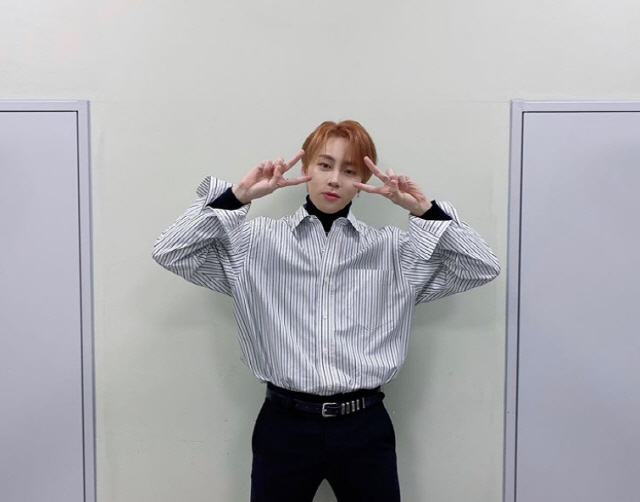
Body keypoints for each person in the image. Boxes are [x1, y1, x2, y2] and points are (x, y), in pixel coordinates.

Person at [152, 120, 500, 501]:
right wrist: (237, 197)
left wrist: (424, 211)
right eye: (325, 165)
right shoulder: (254, 243)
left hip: (364, 427)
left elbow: (481, 266)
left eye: (349, 170)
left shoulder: (394, 250)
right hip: (283, 426)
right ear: (306, 168)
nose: (334, 179)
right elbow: (170, 251)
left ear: (363, 180)